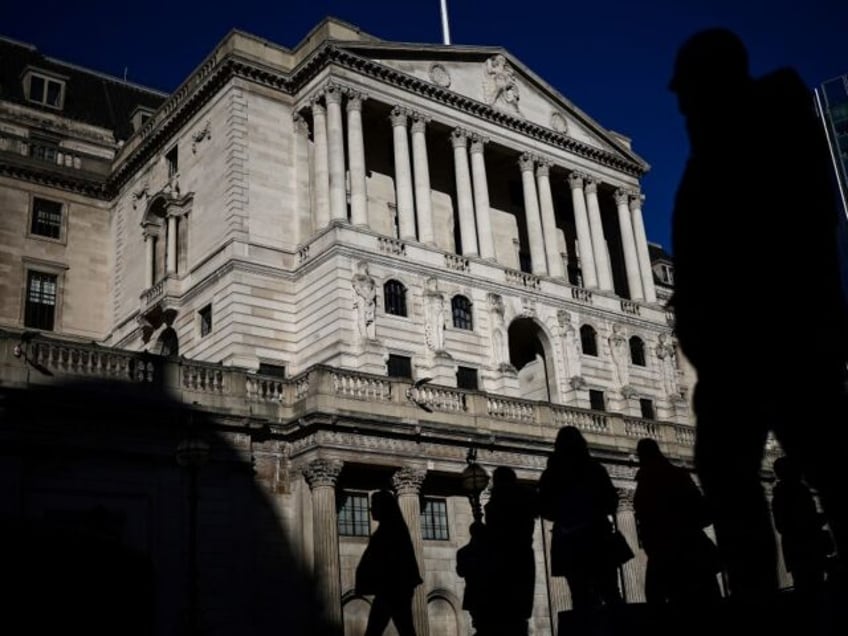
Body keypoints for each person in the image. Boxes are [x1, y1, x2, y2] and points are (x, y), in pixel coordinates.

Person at [669, 28, 848, 600]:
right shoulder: (709, 159)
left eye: (688, 91)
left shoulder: (767, 134)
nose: (682, 105)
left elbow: (806, 235)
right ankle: (755, 595)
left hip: (779, 340)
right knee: (729, 478)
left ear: (711, 82)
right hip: (736, 354)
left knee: (822, 465)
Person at [539, 426, 630, 610]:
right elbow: (611, 501)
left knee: (580, 596)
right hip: (597, 537)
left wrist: (566, 516)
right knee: (611, 592)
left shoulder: (551, 474)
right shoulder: (594, 469)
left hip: (569, 540)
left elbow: (544, 508)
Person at [633, 438, 721, 605]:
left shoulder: (645, 483)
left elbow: (644, 521)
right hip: (691, 547)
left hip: (664, 552)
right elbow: (702, 512)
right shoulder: (678, 475)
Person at [355, 490, 422, 636]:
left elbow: (387, 563)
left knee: (377, 630)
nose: (371, 509)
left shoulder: (390, 531)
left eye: (374, 505)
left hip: (391, 591)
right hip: (391, 590)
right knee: (403, 629)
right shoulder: (390, 529)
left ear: (383, 507)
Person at [482, 467, 538, 635]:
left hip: (501, 559)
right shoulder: (526, 495)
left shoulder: (494, 502)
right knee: (520, 611)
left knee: (505, 611)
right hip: (522, 555)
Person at [772, 457, 830, 602]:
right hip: (808, 550)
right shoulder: (798, 492)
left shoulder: (781, 495)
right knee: (814, 587)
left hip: (797, 551)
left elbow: (784, 526)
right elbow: (803, 522)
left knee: (805, 588)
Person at [456, 521, 494, 635]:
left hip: (479, 593)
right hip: (479, 593)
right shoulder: (465, 552)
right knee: (482, 625)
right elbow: (461, 572)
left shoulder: (463, 552)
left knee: (484, 625)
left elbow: (460, 571)